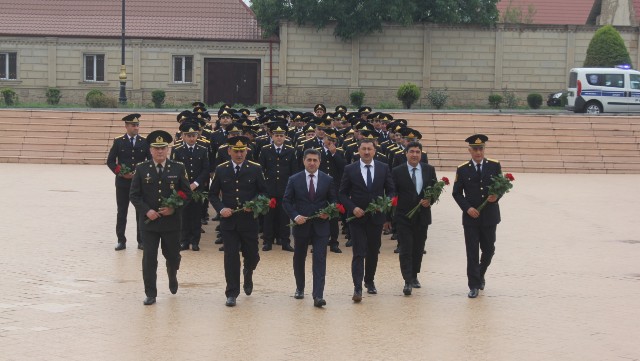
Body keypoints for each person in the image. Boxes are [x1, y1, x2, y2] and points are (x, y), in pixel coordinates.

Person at [129, 130, 192, 306]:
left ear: (168, 150)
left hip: (171, 223)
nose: (159, 152)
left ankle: (172, 274)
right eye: (156, 149)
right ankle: (150, 293)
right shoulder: (141, 168)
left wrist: (174, 208)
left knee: (172, 256)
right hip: (149, 223)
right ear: (150, 150)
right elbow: (134, 195)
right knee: (149, 258)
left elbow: (187, 194)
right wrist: (146, 210)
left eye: (163, 148)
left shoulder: (178, 168)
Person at [209, 136, 267, 307]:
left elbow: (264, 192)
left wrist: (254, 204)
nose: (239, 154)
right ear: (229, 151)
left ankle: (248, 271)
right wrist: (220, 209)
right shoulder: (221, 169)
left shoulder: (255, 169)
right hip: (229, 222)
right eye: (236, 151)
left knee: (252, 255)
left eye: (242, 151)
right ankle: (231, 292)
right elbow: (213, 194)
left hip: (249, 221)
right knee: (231, 257)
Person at [339, 138, 395, 302]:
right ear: (359, 150)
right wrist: (352, 207)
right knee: (358, 252)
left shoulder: (383, 168)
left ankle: (369, 280)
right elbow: (342, 193)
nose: (366, 152)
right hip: (357, 217)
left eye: (369, 149)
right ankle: (357, 287)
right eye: (363, 149)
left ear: (374, 150)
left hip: (376, 218)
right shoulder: (350, 169)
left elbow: (391, 191)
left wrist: (385, 204)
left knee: (373, 251)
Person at [283, 149, 337, 307]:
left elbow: (333, 200)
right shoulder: (294, 179)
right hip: (301, 225)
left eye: (315, 160)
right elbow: (286, 201)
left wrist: (329, 212)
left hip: (321, 226)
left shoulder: (328, 179)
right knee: (299, 258)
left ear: (319, 162)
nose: (312, 163)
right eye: (309, 160)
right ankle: (300, 287)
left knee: (320, 259)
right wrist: (295, 216)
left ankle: (318, 295)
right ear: (304, 161)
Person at [452, 134, 502, 299]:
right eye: (475, 149)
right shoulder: (463, 168)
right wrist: (467, 208)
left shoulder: (494, 166)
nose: (478, 152)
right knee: (472, 252)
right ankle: (473, 285)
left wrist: (497, 196)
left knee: (489, 249)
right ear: (470, 150)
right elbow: (457, 193)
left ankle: (480, 273)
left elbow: (501, 186)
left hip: (489, 216)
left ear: (484, 149)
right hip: (471, 218)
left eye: (481, 149)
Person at [391, 141, 437, 296]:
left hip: (422, 216)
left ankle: (415, 275)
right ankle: (407, 280)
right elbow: (392, 193)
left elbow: (435, 189)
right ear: (406, 153)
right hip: (404, 216)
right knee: (406, 248)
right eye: (412, 151)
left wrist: (430, 199)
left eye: (418, 152)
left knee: (418, 248)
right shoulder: (397, 171)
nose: (415, 155)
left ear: (421, 154)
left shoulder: (429, 170)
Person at [106, 113, 150, 251]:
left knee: (141, 211)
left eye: (137, 125)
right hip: (122, 183)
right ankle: (121, 240)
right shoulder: (119, 141)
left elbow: (149, 161)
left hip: (139, 183)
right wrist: (121, 172)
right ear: (126, 126)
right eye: (133, 125)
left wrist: (141, 174)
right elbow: (111, 161)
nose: (136, 128)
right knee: (122, 211)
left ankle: (141, 240)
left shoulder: (144, 141)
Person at [171, 120, 210, 251]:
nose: (192, 138)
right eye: (189, 135)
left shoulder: (203, 150)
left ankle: (195, 241)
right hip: (182, 189)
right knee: (184, 215)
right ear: (183, 136)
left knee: (196, 215)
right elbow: (174, 169)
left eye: (194, 135)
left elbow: (205, 169)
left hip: (197, 188)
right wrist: (185, 185)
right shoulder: (177, 150)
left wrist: (196, 183)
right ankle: (184, 240)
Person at [259, 123, 297, 252]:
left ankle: (285, 242)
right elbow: (261, 169)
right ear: (272, 136)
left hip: (285, 188)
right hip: (269, 189)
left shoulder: (291, 150)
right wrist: (263, 187)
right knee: (268, 217)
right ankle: (267, 241)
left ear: (285, 137)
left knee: (284, 216)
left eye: (281, 136)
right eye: (276, 135)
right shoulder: (265, 149)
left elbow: (294, 171)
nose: (279, 138)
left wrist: (292, 189)